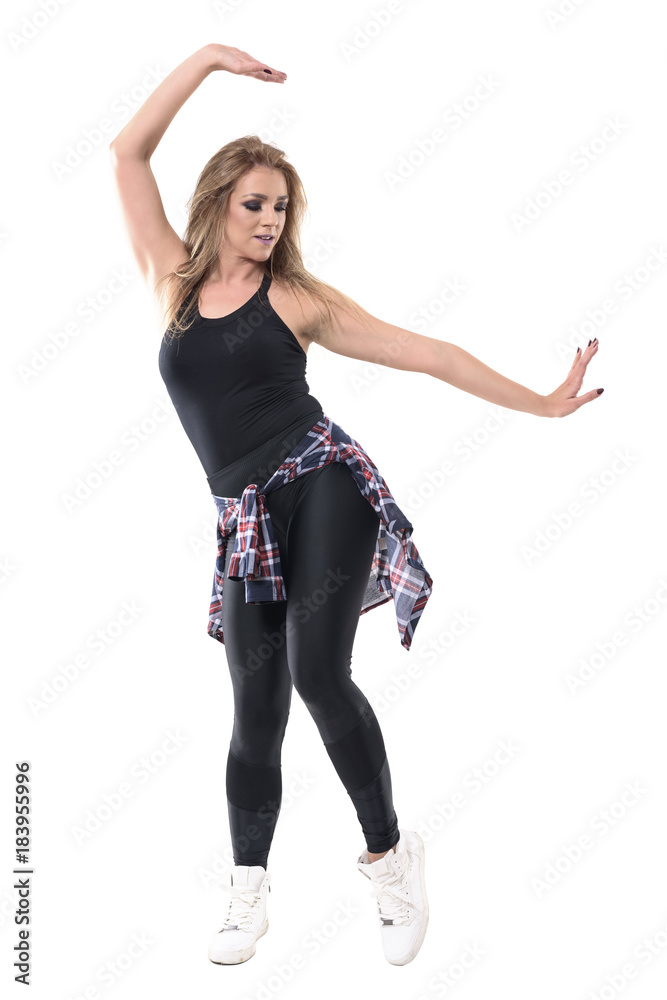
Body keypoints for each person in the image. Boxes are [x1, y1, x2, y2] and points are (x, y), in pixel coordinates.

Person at [108, 43, 603, 969]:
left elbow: (427, 353)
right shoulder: (170, 284)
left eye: (280, 207)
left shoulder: (295, 298)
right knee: (254, 707)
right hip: (243, 519)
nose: (269, 219)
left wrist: (540, 402)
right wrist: (206, 61)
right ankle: (246, 890)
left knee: (315, 673)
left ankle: (389, 859)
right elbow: (126, 154)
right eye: (254, 204)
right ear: (216, 204)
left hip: (323, 481)